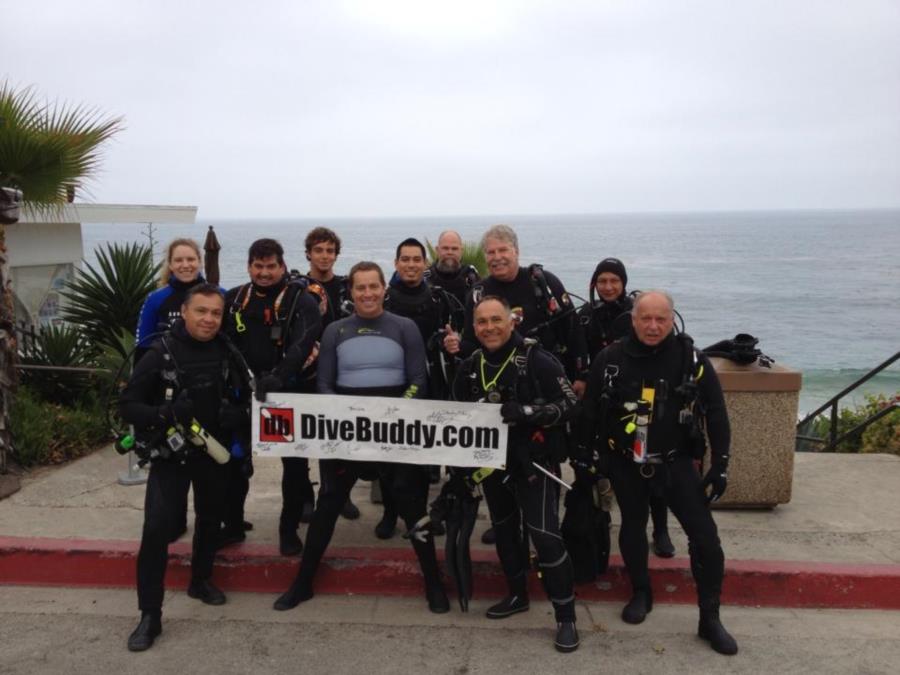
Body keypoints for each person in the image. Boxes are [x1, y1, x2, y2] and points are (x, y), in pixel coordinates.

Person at [273, 261, 449, 614]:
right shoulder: (336, 329)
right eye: (360, 288)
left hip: (395, 427)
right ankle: (303, 582)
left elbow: (418, 380)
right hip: (348, 430)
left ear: (385, 288)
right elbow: (324, 383)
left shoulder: (405, 327)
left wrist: (392, 415)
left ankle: (434, 582)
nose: (367, 293)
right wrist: (348, 417)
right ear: (351, 293)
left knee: (412, 504)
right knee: (329, 503)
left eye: (373, 286)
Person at [578, 290, 738, 655]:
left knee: (706, 539)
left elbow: (716, 412)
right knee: (633, 528)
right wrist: (584, 459)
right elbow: (589, 413)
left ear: (672, 319)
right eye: (645, 318)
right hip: (625, 462)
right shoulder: (610, 358)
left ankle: (709, 618)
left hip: (676, 462)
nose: (652, 326)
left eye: (660, 319)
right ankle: (641, 592)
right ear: (633, 320)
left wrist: (721, 465)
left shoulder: (691, 359)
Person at [120, 284, 251, 652]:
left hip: (213, 452)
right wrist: (163, 413)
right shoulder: (159, 353)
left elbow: (252, 399)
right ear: (186, 312)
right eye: (201, 312)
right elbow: (127, 405)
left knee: (210, 520)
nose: (209, 319)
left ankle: (201, 580)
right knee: (157, 530)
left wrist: (236, 416)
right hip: (171, 455)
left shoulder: (227, 350)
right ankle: (150, 615)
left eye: (215, 313)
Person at [452, 295, 579, 653]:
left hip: (534, 464)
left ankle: (566, 616)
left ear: (512, 322)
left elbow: (572, 405)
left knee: (545, 536)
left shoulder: (538, 360)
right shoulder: (469, 366)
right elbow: (457, 420)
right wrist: (460, 471)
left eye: (496, 320)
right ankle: (517, 595)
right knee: (506, 531)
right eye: (481, 322)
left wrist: (528, 412)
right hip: (492, 466)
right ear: (473, 327)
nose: (489, 328)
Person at [443, 224, 586, 545]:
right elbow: (471, 343)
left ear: (516, 252)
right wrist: (454, 346)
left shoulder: (542, 283)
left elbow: (573, 329)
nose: (496, 258)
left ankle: (544, 516)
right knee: (503, 456)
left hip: (544, 380)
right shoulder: (479, 292)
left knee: (542, 453)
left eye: (502, 251)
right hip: (499, 388)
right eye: (491, 253)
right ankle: (507, 516)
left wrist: (580, 375)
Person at [223, 239, 323, 556]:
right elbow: (222, 340)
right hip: (243, 393)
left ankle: (288, 529)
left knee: (293, 466)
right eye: (258, 266)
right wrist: (241, 379)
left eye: (271, 266)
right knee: (235, 461)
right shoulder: (235, 298)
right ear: (249, 266)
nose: (264, 273)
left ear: (282, 265)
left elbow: (304, 341)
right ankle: (233, 523)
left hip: (286, 394)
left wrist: (279, 376)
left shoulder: (300, 300)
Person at [574, 258, 676, 559]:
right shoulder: (585, 316)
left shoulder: (638, 313)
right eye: (602, 281)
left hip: (642, 401)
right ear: (594, 284)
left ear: (624, 284)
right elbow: (579, 355)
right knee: (607, 467)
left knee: (650, 466)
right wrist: (581, 381)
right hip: (606, 403)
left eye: (614, 281)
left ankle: (660, 530)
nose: (607, 287)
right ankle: (602, 524)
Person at [134, 238, 208, 542]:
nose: (186, 265)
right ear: (170, 264)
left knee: (206, 464)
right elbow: (141, 346)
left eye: (191, 259)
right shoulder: (157, 299)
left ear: (200, 261)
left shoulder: (216, 294)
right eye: (179, 260)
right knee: (168, 461)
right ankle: (173, 521)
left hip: (205, 387)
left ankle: (215, 522)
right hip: (166, 392)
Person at [304, 226, 361, 521]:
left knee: (339, 437)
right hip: (307, 374)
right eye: (319, 250)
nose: (324, 256)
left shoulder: (346, 285)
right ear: (308, 253)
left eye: (330, 251)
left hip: (344, 373)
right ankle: (304, 496)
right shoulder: (296, 287)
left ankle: (340, 494)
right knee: (305, 437)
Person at [423, 229, 480, 311]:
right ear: (437, 250)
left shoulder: (471, 276)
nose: (450, 252)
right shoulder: (426, 278)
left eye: (454, 249)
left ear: (461, 251)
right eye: (445, 248)